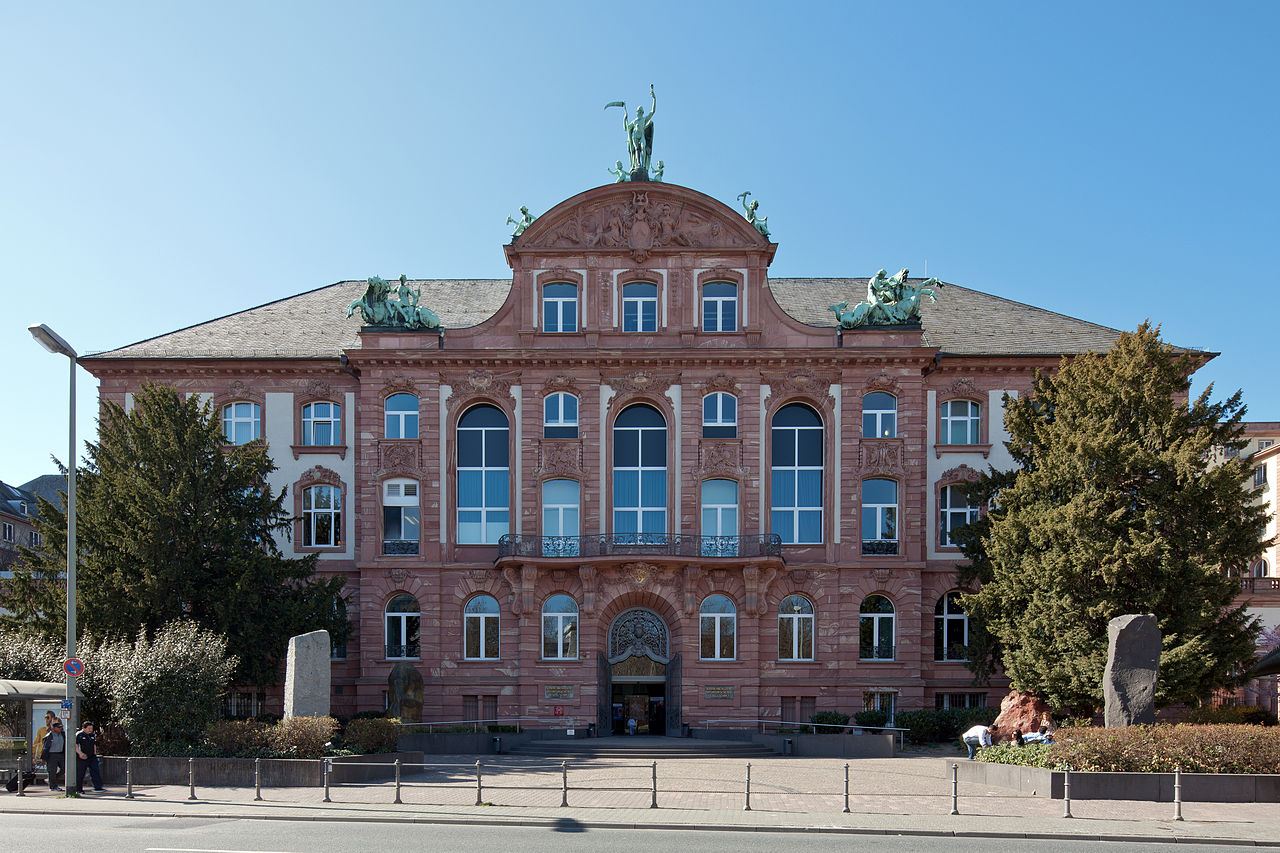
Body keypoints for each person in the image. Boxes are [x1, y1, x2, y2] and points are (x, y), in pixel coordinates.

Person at [74, 720, 104, 793]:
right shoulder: (79, 734)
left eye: (91, 728)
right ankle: (78, 789)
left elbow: (94, 744)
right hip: (82, 756)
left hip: (91, 756)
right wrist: (80, 753)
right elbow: (76, 745)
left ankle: (98, 787)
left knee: (95, 770)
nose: (90, 730)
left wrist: (94, 753)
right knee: (80, 773)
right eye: (89, 728)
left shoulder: (91, 735)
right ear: (83, 728)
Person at [40, 719, 65, 791]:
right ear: (53, 728)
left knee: (64, 769)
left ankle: (51, 780)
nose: (60, 728)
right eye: (58, 727)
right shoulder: (49, 736)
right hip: (51, 755)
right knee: (52, 771)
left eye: (61, 727)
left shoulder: (62, 734)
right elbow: (45, 747)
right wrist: (43, 758)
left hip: (60, 754)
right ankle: (53, 786)